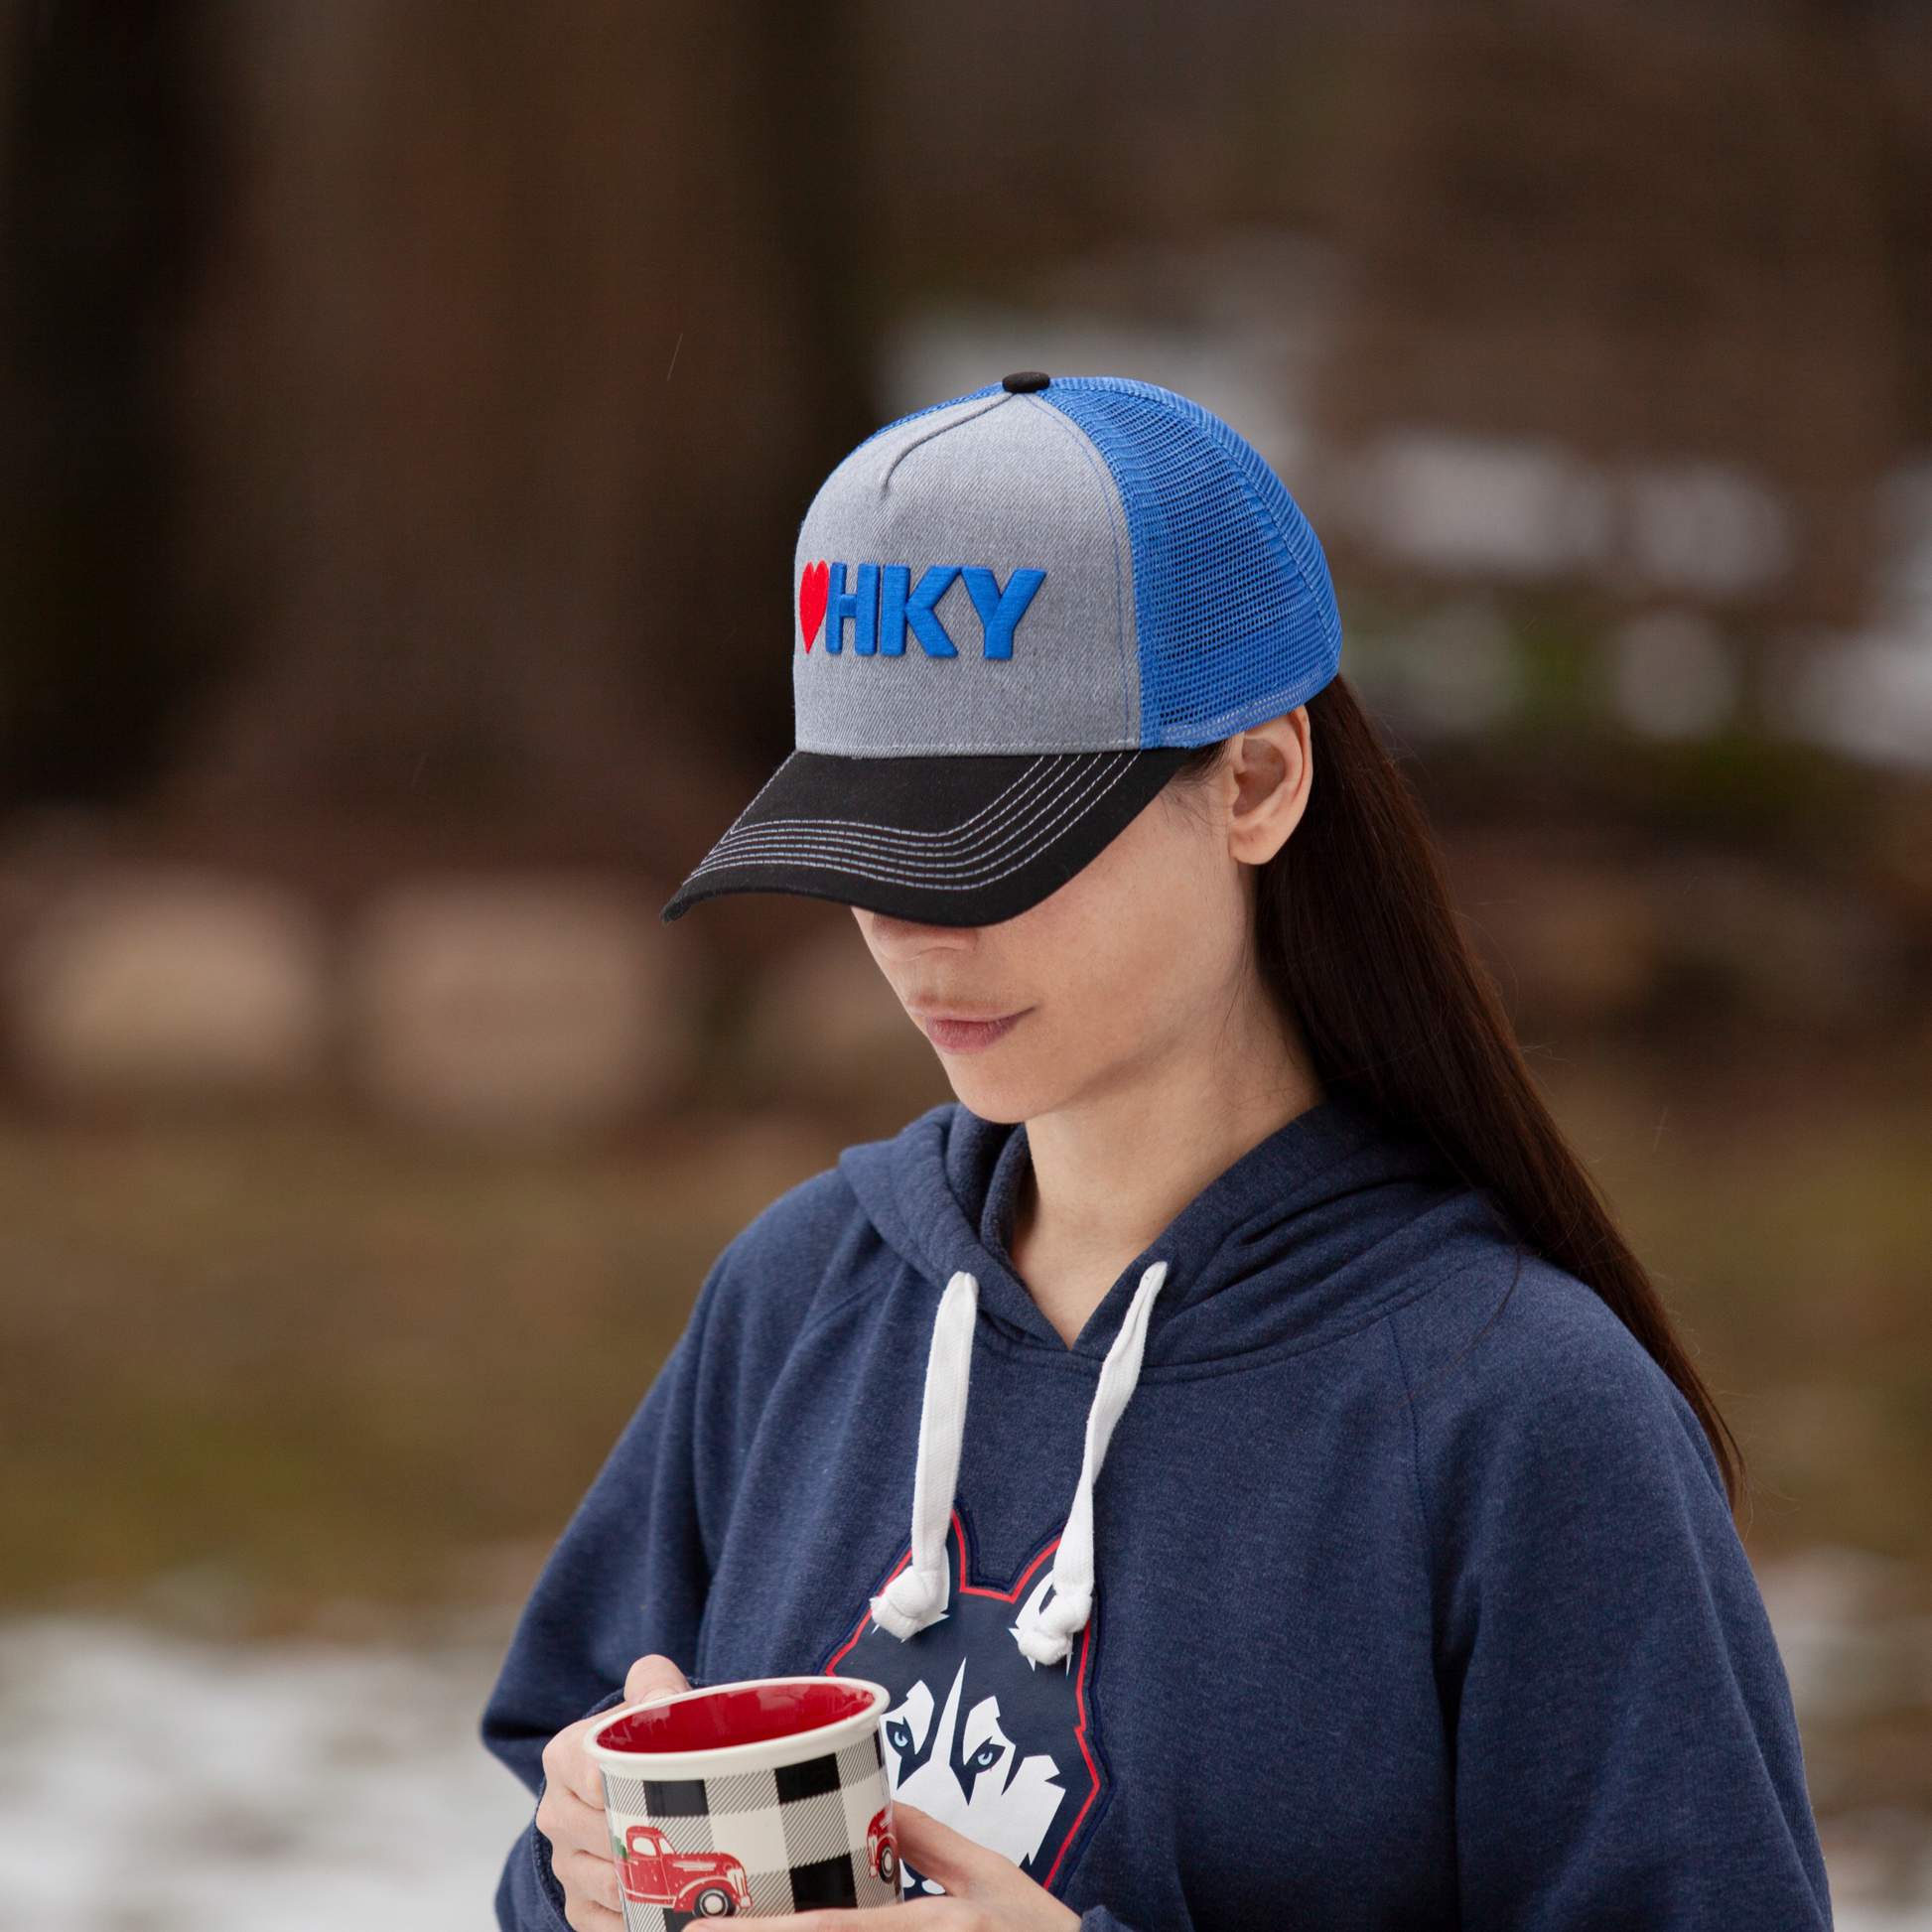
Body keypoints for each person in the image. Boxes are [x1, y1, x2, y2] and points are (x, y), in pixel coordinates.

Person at [483, 374, 1829, 1931]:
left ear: (1255, 781)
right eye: (860, 843)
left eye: (994, 841)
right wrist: (574, 1871)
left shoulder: (1521, 1414)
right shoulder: (798, 1298)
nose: (913, 928)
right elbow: (554, 1828)